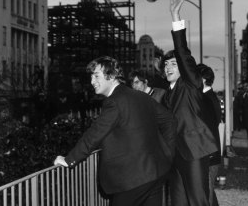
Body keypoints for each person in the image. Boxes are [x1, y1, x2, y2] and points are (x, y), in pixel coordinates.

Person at [54, 56, 177, 206]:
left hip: (133, 180)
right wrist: (168, 153)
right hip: (155, 172)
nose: (92, 81)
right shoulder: (140, 96)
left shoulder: (114, 101)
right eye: (91, 76)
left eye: (96, 76)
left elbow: (94, 134)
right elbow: (169, 121)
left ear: (111, 76)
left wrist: (69, 160)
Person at [161, 0, 218, 206]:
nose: (168, 67)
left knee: (198, 202)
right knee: (179, 203)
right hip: (175, 156)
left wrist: (175, 17)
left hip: (194, 152)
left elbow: (183, 53)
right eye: (165, 64)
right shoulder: (167, 94)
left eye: (173, 64)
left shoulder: (191, 84)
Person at [197, 63, 222, 206]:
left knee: (206, 193)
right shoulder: (208, 97)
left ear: (203, 79)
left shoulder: (207, 99)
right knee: (208, 191)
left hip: (209, 153)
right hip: (210, 152)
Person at [240, 81, 248, 161]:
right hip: (247, 122)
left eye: (247, 86)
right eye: (244, 86)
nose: (245, 87)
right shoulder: (244, 95)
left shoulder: (247, 95)